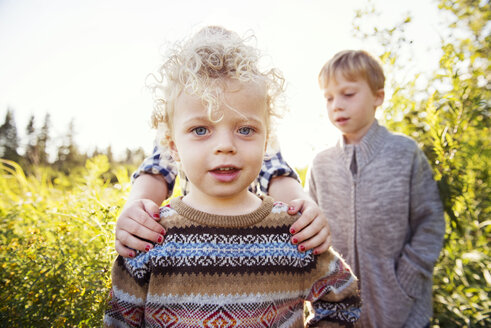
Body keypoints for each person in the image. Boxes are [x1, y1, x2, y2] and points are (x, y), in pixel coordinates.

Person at [104, 26, 361, 327]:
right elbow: (157, 169)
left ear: (265, 139)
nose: (225, 145)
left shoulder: (287, 233)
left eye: (245, 129)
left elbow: (276, 171)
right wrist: (136, 208)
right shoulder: (154, 240)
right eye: (201, 130)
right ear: (173, 143)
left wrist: (303, 211)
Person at [308, 50, 445, 327]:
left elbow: (430, 222)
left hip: (401, 309)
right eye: (329, 97)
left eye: (348, 94)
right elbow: (308, 233)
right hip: (335, 315)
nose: (336, 105)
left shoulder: (404, 153)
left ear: (378, 97)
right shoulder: (321, 164)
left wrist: (406, 280)